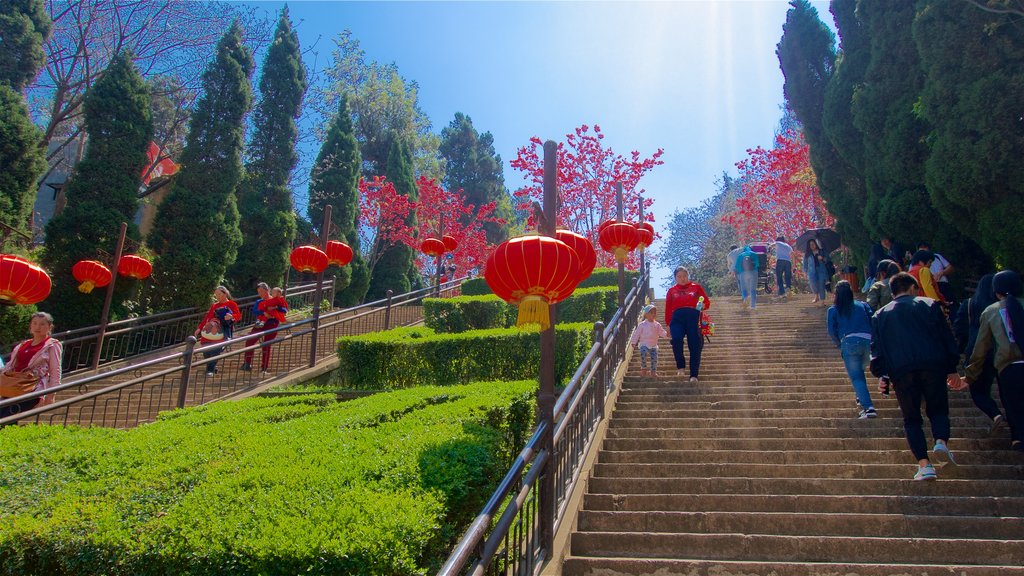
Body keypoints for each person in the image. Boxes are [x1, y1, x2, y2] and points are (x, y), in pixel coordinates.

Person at [870, 273, 965, 481]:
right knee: (938, 408)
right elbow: (945, 337)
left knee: (911, 418)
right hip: (933, 365)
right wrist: (952, 368)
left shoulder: (880, 315)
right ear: (913, 287)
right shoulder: (930, 305)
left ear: (893, 291)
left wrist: (882, 375)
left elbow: (877, 349)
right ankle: (940, 441)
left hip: (901, 371)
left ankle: (924, 464)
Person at [965, 270, 1024, 452]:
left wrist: (969, 375)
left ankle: (1018, 438)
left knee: (1013, 404)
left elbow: (981, 347)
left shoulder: (991, 311)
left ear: (996, 291)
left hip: (1009, 368)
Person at [954, 274, 1004, 433]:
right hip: (1002, 352)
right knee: (1006, 390)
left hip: (977, 352)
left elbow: (959, 329)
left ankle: (995, 414)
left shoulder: (969, 304)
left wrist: (962, 348)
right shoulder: (1002, 307)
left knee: (979, 391)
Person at [827, 281, 877, 418]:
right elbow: (873, 321)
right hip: (868, 341)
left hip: (849, 342)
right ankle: (860, 398)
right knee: (860, 374)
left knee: (857, 377)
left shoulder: (833, 310)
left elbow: (831, 331)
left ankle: (868, 408)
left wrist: (840, 344)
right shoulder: (863, 305)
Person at [0, 312, 62, 418]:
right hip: (13, 385)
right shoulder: (23, 344)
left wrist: (51, 395)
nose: (38, 327)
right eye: (34, 323)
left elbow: (55, 370)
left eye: (42, 324)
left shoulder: (52, 345)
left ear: (49, 326)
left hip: (32, 387)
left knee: (8, 415)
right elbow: (10, 365)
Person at [664, 266, 711, 383]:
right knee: (676, 340)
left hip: (693, 317)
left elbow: (706, 302)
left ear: (688, 275)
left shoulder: (696, 287)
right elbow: (668, 309)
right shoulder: (671, 291)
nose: (682, 278)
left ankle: (694, 375)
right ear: (675, 278)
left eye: (684, 276)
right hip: (677, 318)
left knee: (694, 345)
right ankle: (681, 366)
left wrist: (702, 305)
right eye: (679, 276)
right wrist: (668, 324)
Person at [242, 283, 289, 375]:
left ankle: (264, 367)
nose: (259, 293)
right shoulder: (259, 301)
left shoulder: (276, 300)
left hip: (272, 323)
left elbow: (285, 310)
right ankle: (247, 363)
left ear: (266, 290)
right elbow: (255, 311)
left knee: (266, 345)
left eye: (261, 291)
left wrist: (275, 307)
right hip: (260, 323)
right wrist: (263, 313)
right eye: (258, 292)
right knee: (250, 340)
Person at [194, 286, 241, 376]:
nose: (217, 296)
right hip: (210, 331)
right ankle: (212, 367)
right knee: (206, 351)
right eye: (216, 295)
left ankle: (209, 370)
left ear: (225, 293)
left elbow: (238, 316)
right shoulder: (214, 305)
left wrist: (232, 316)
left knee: (215, 350)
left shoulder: (231, 304)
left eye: (219, 294)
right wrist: (199, 328)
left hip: (223, 331)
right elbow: (207, 318)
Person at [630, 304, 668, 377]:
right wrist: (633, 342)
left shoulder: (657, 324)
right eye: (651, 312)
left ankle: (653, 372)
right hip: (644, 344)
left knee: (654, 359)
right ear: (646, 315)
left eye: (654, 313)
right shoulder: (642, 324)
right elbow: (636, 333)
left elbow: (661, 332)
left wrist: (667, 335)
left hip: (654, 346)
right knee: (643, 352)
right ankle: (644, 368)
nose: (653, 314)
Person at [734, 245, 759, 310]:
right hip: (753, 272)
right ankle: (753, 306)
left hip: (743, 273)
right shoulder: (754, 254)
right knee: (753, 290)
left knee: (744, 289)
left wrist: (740, 272)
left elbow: (737, 266)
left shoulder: (740, 255)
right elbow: (757, 264)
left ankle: (745, 299)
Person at [803, 239, 828, 304]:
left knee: (821, 283)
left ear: (816, 244)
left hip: (821, 270)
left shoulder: (821, 251)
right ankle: (816, 296)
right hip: (811, 270)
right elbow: (805, 263)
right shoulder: (807, 254)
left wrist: (822, 258)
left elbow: (827, 259)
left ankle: (822, 300)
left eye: (813, 244)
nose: (812, 245)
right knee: (813, 283)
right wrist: (805, 272)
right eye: (810, 244)